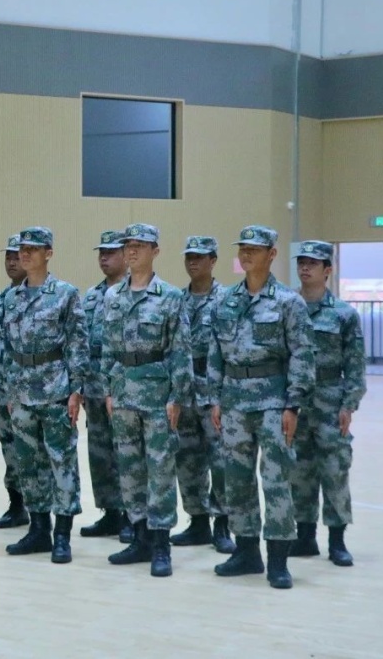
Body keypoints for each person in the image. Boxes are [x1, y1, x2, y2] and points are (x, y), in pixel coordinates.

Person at [207, 225, 315, 589]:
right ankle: (247, 551)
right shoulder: (226, 300)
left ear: (272, 254)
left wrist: (293, 404)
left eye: (254, 249)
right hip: (234, 402)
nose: (246, 254)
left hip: (273, 402)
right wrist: (215, 398)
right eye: (243, 248)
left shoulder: (288, 302)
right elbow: (215, 353)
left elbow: (302, 354)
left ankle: (278, 560)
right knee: (236, 479)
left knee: (276, 480)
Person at [100, 223, 192, 578]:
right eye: (129, 245)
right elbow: (107, 347)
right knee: (129, 469)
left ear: (156, 250)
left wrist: (177, 396)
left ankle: (160, 544)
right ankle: (139, 538)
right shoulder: (113, 296)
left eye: (141, 244)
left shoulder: (170, 296)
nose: (133, 250)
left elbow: (180, 350)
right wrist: (109, 389)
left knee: (160, 470)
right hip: (123, 392)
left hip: (157, 396)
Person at [0, 226, 86, 564]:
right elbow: (6, 347)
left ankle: (62, 535)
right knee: (28, 463)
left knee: (61, 462)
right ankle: (38, 529)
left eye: (32, 249)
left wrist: (76, 390)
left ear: (48, 253)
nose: (25, 254)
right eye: (22, 249)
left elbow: (77, 344)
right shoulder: (11, 297)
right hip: (20, 391)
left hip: (54, 390)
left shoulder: (65, 294)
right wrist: (8, 388)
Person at [290, 240, 366, 567]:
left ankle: (337, 540)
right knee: (298, 471)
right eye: (302, 262)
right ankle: (305, 537)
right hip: (296, 401)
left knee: (334, 470)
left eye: (313, 263)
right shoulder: (287, 307)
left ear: (328, 270)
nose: (305, 268)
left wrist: (349, 404)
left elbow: (356, 365)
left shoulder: (343, 314)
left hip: (330, 401)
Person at [171, 236, 235, 553]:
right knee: (187, 459)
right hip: (184, 388)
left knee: (220, 459)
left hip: (213, 389)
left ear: (213, 260)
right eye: (189, 257)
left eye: (199, 257)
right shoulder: (177, 300)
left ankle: (222, 523)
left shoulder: (227, 300)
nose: (193, 262)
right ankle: (197, 522)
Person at [77, 230, 132, 543]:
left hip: (124, 386)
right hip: (94, 386)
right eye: (101, 252)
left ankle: (131, 515)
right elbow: (82, 342)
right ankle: (110, 512)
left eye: (110, 252)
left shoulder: (133, 292)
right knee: (99, 453)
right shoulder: (91, 296)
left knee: (126, 452)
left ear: (126, 255)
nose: (104, 257)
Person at [0, 234, 28, 530]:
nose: (12, 262)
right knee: (10, 450)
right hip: (5, 393)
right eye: (8, 257)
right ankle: (17, 505)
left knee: (37, 453)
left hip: (37, 391)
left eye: (17, 256)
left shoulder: (49, 296)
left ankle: (43, 513)